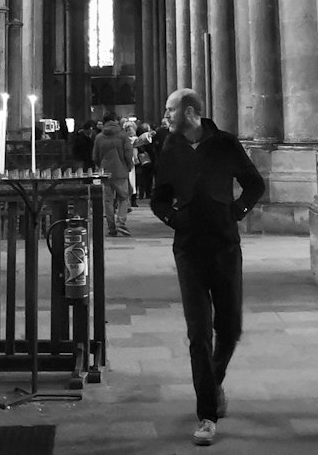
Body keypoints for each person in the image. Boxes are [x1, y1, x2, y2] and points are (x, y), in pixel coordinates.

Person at [151, 88, 265, 447]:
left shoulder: (226, 144)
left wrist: (236, 212)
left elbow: (254, 184)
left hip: (225, 247)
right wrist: (173, 218)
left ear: (189, 111)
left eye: (170, 110)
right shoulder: (168, 148)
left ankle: (213, 384)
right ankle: (207, 414)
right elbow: (158, 197)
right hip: (188, 250)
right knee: (198, 333)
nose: (165, 116)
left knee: (229, 327)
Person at [92, 109, 134, 236]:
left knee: (108, 201)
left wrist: (101, 166)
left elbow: (95, 156)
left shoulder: (99, 137)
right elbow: (128, 153)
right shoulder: (122, 136)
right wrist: (128, 166)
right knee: (124, 197)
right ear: (116, 120)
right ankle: (121, 222)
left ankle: (111, 228)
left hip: (105, 172)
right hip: (120, 171)